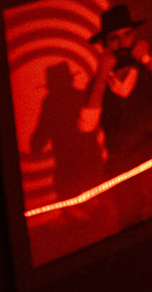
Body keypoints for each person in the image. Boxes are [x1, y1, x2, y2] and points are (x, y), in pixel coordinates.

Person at [78, 3, 152, 174]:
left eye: (127, 34)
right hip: (123, 172)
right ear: (104, 43)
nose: (122, 43)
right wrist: (101, 76)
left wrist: (147, 60)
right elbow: (87, 126)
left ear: (135, 34)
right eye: (114, 38)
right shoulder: (97, 83)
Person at [27, 61, 106, 210]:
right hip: (92, 169)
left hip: (68, 175)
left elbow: (36, 145)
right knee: (100, 212)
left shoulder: (50, 105)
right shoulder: (82, 96)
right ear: (70, 80)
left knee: (76, 216)